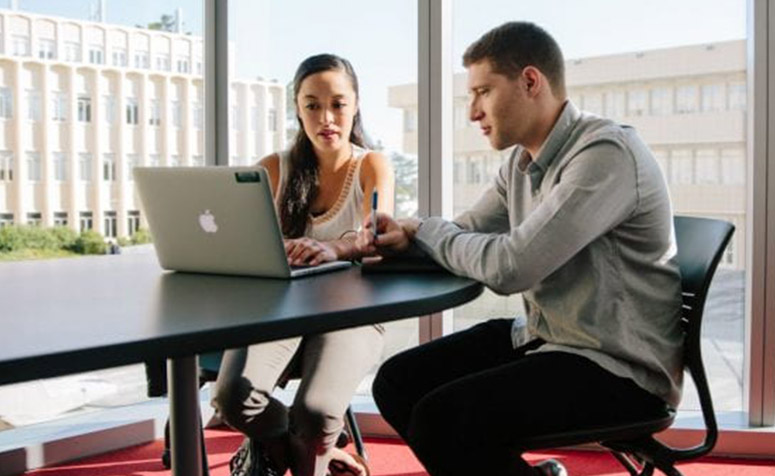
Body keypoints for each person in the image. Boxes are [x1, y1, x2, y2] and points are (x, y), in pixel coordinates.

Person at [365, 22, 683, 476]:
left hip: (619, 369)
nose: (473, 112)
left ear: (530, 81)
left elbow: (512, 266)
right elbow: (465, 232)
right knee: (397, 382)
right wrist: (406, 239)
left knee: (444, 418)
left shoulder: (605, 153)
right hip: (551, 337)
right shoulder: (521, 161)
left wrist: (425, 229)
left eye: (483, 92)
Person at [212, 53, 394, 476]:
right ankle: (322, 454)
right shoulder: (274, 168)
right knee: (233, 397)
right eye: (312, 105)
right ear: (297, 108)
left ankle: (296, 447)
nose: (326, 117)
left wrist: (336, 248)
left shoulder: (372, 165)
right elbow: (238, 240)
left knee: (315, 413)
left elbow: (375, 234)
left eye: (337, 104)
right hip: (282, 308)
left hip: (352, 311)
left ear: (355, 104)